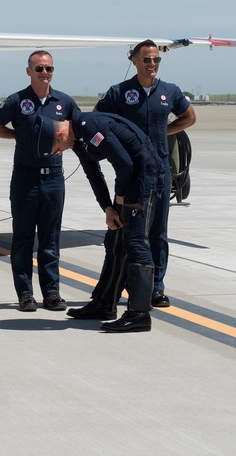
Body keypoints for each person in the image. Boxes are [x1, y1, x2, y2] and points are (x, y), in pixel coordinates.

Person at [86, 40, 196, 310]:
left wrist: (160, 135)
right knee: (129, 233)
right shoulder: (119, 92)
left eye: (156, 60)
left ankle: (155, 288)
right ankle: (124, 285)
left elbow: (188, 117)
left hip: (160, 172)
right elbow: (97, 120)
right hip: (131, 173)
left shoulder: (169, 91)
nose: (152, 64)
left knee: (158, 233)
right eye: (146, 59)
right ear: (133, 61)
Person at [50, 110, 163, 332]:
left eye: (57, 149)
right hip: (132, 179)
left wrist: (120, 194)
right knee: (114, 241)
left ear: (61, 134)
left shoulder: (89, 126)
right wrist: (108, 208)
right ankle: (104, 303)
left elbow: (125, 164)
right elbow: (93, 173)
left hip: (144, 177)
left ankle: (139, 314)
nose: (59, 153)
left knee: (136, 242)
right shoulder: (79, 138)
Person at [0, 51, 78, 312]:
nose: (44, 73)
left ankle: (52, 293)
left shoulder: (64, 101)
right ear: (29, 71)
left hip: (54, 180)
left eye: (49, 68)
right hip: (25, 179)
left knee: (50, 239)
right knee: (24, 238)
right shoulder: (17, 101)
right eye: (39, 68)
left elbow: (79, 128)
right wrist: (20, 137)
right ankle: (25, 294)